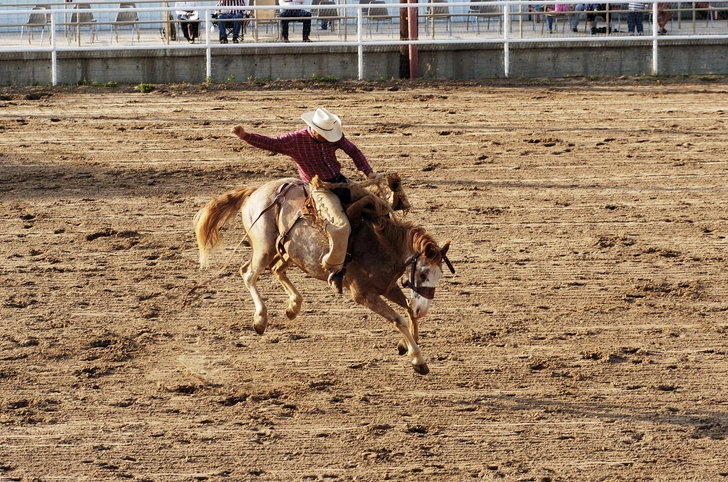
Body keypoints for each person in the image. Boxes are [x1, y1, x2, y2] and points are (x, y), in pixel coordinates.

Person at [231, 107, 378, 293]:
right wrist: (245, 136)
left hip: (341, 182)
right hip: (320, 189)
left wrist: (368, 171)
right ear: (314, 129)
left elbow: (354, 152)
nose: (329, 137)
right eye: (325, 134)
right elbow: (271, 143)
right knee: (341, 226)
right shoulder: (295, 140)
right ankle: (335, 268)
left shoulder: (334, 136)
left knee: (379, 204)